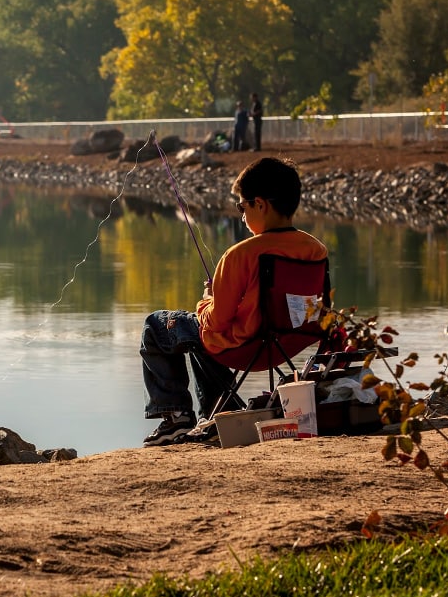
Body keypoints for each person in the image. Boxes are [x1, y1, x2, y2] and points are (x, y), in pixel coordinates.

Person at [139, 157, 328, 446]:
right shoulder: (316, 249)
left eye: (242, 207)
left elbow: (215, 321)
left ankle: (175, 417)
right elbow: (315, 306)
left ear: (260, 204)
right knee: (200, 338)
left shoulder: (240, 254)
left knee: (157, 325)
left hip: (244, 347)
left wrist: (207, 299)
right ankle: (218, 411)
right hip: (290, 344)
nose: (240, 215)